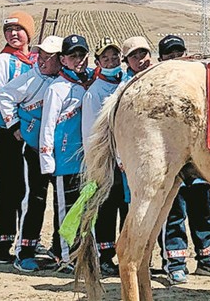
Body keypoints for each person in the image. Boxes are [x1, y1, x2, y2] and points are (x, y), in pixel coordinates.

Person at [155, 35, 210, 285]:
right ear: (161, 59)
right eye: (170, 55)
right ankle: (175, 263)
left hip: (198, 161)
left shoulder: (199, 87)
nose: (177, 58)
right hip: (173, 160)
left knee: (203, 211)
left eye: (180, 53)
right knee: (173, 213)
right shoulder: (159, 91)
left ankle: (207, 258)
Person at [0, 35, 64, 273]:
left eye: (49, 58)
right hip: (34, 147)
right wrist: (14, 125)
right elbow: (4, 95)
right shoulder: (31, 78)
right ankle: (25, 251)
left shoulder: (66, 80)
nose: (43, 61)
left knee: (61, 200)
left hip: (60, 148)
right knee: (34, 198)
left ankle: (59, 248)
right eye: (41, 56)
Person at [0, 11, 37, 264]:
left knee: (28, 188)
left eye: (19, 29)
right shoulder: (2, 61)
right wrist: (20, 101)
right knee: (6, 187)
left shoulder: (37, 61)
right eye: (9, 30)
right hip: (6, 131)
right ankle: (1, 241)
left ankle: (26, 239)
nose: (14, 34)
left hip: (32, 132)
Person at [39, 34, 91, 273]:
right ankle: (65, 256)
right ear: (63, 59)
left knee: (83, 209)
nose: (78, 60)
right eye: (73, 56)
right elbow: (48, 125)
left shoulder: (89, 82)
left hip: (85, 159)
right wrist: (47, 159)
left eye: (82, 55)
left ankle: (81, 253)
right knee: (65, 209)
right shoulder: (56, 88)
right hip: (63, 158)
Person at [82, 37, 128, 277]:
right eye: (106, 59)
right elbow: (90, 132)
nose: (111, 62)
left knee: (127, 207)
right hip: (108, 160)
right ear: (98, 62)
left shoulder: (126, 83)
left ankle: (126, 253)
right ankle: (106, 255)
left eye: (114, 58)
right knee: (107, 208)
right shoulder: (94, 92)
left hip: (127, 159)